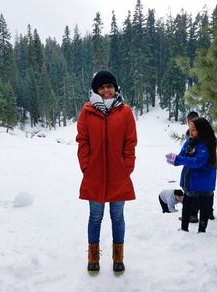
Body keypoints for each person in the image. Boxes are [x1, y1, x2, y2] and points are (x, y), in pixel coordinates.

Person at [76, 71, 137, 273]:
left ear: (115, 88)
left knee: (117, 217)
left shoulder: (125, 112)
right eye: (102, 87)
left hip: (119, 175)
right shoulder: (87, 112)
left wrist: (127, 166)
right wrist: (86, 166)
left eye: (110, 86)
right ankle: (93, 258)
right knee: (95, 217)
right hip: (95, 175)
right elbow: (82, 142)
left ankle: (118, 257)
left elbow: (130, 142)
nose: (106, 90)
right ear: (96, 90)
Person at [166, 117, 217, 233]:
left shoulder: (205, 145)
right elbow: (182, 157)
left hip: (203, 184)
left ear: (202, 130)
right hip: (189, 182)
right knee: (186, 206)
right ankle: (184, 230)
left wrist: (179, 159)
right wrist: (175, 160)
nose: (191, 132)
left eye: (193, 129)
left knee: (203, 209)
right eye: (190, 129)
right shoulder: (189, 141)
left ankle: (202, 231)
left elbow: (198, 162)